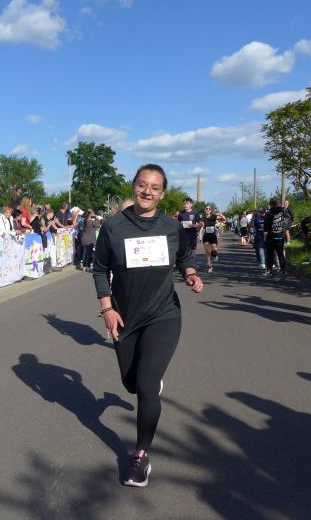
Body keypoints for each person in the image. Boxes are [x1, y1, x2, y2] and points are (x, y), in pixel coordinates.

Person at [92, 163, 203, 487]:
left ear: (163, 193)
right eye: (142, 185)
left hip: (163, 315)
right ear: (134, 186)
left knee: (146, 384)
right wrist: (107, 308)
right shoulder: (113, 227)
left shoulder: (171, 227)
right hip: (125, 317)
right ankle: (146, 383)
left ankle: (140, 457)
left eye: (155, 187)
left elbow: (184, 258)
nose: (147, 192)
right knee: (131, 383)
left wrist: (191, 274)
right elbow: (99, 270)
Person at [264, 198, 287, 276]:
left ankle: (269, 270)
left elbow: (266, 228)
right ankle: (283, 270)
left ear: (270, 204)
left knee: (270, 254)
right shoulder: (282, 212)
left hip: (271, 237)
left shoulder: (268, 213)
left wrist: (265, 239)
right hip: (280, 236)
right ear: (277, 203)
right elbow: (286, 223)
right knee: (280, 254)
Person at [200, 205, 226, 274]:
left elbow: (224, 219)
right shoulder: (203, 218)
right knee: (207, 252)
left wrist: (221, 215)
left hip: (213, 236)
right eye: (206, 208)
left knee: (213, 251)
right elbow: (200, 225)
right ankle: (210, 266)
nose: (208, 210)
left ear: (211, 210)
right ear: (204, 210)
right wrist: (200, 225)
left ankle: (215, 254)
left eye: (209, 209)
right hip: (206, 236)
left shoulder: (214, 216)